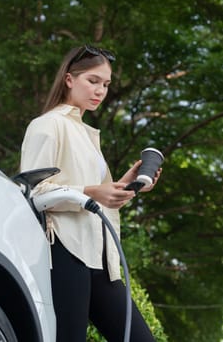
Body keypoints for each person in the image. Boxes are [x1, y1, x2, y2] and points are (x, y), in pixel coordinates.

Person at [20, 44, 160, 342]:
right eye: (93, 81)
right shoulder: (47, 125)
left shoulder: (85, 133)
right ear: (69, 79)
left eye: (106, 84)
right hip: (66, 251)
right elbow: (34, 194)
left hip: (101, 258)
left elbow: (95, 198)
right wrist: (94, 193)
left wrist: (124, 186)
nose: (100, 90)